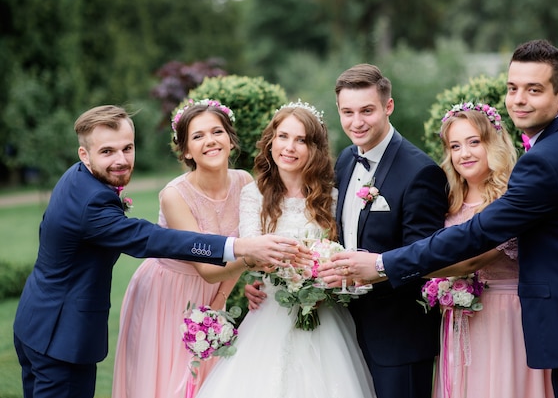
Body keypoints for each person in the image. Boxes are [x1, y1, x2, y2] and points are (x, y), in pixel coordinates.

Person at [321, 40, 558, 398]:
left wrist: (383, 263)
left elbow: (478, 234)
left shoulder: (545, 161)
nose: (519, 99)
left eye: (534, 90)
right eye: (513, 88)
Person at [13, 105, 302, 398]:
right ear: (84, 155)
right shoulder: (94, 203)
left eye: (127, 148)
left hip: (37, 321)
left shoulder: (79, 179)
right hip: (60, 336)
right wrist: (240, 248)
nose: (121, 160)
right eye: (108, 152)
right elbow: (151, 239)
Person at [195, 101, 377, 398]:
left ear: (313, 149)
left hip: (325, 313)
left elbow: (346, 253)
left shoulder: (332, 197)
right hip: (270, 309)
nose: (289, 147)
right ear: (271, 142)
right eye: (283, 136)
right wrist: (266, 272)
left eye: (300, 140)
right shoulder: (253, 194)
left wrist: (323, 281)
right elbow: (251, 252)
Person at [112, 101, 254, 398]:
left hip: (213, 293)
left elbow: (237, 251)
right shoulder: (174, 195)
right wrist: (253, 255)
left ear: (230, 139)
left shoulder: (245, 182)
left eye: (217, 131)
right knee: (168, 382)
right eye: (198, 136)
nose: (211, 140)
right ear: (187, 150)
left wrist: (220, 300)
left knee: (210, 383)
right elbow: (208, 267)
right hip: (167, 293)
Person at [333, 64, 449, 398]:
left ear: (388, 106)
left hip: (398, 337)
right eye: (348, 112)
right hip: (345, 331)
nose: (357, 122)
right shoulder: (345, 160)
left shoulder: (420, 171)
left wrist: (372, 267)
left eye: (367, 111)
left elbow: (424, 257)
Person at [426, 104, 553, 398]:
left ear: (493, 144)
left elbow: (477, 258)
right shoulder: (449, 200)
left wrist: (405, 269)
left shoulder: (512, 197)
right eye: (455, 146)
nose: (464, 153)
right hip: (459, 322)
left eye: (474, 142)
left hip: (505, 314)